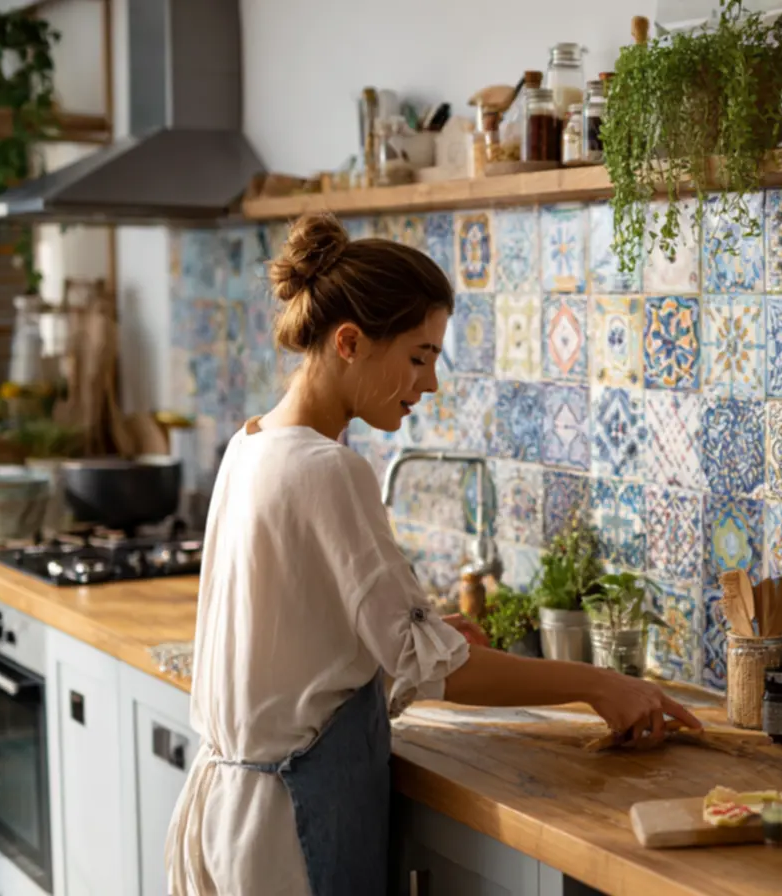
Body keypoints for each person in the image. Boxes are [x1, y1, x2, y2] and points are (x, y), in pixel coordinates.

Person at [165, 213, 701, 896]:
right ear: (350, 342)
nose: (430, 384)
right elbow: (444, 673)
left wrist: (417, 644)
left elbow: (295, 644)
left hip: (223, 820)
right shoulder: (330, 470)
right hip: (287, 834)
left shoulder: (251, 445)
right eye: (419, 356)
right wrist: (603, 685)